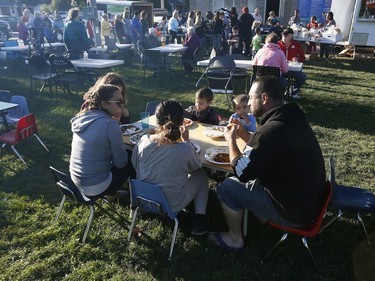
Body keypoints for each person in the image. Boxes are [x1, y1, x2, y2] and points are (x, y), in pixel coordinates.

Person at [210, 75, 326, 252]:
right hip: (308, 202)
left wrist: (231, 141)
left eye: (251, 98)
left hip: (291, 212)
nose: (248, 104)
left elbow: (243, 172)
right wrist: (243, 134)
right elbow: (266, 150)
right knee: (247, 176)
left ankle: (235, 239)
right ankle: (261, 215)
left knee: (227, 186)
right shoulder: (292, 117)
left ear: (264, 98)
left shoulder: (270, 131)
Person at [131, 100, 209, 236]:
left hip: (144, 198)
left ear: (156, 120)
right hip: (171, 204)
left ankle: (145, 208)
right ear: (181, 122)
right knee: (201, 174)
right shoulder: (184, 149)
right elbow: (196, 166)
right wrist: (187, 142)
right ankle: (199, 219)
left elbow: (134, 163)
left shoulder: (143, 140)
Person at [70, 84, 135, 201]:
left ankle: (113, 193)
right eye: (119, 102)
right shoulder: (110, 125)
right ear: (104, 104)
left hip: (76, 182)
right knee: (132, 157)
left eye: (123, 101)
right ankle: (138, 202)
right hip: (95, 187)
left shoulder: (83, 117)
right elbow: (121, 163)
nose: (123, 106)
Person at [278, 28, 307, 99]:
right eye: (283, 35)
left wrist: (297, 59)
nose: (284, 37)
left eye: (286, 35)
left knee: (302, 77)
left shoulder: (296, 45)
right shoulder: (278, 44)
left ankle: (292, 92)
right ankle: (280, 93)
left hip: (293, 69)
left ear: (291, 36)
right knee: (279, 78)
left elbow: (302, 57)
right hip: (280, 69)